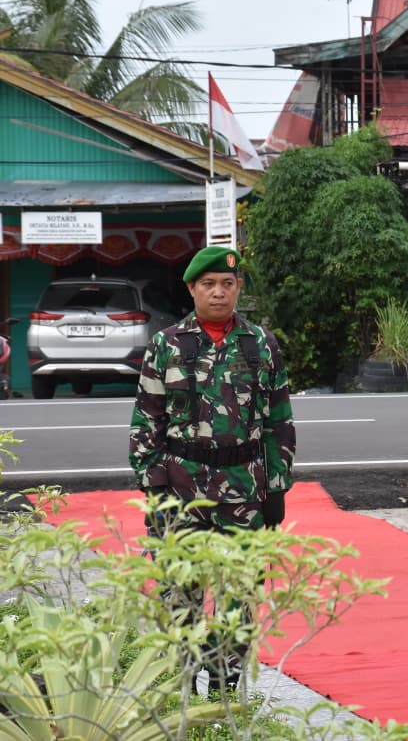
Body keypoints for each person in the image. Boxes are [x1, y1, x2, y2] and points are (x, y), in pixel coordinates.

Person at [128, 245, 296, 693]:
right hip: (181, 489)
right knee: (179, 592)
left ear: (238, 287)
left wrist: (276, 488)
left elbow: (279, 420)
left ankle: (225, 687)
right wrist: (154, 487)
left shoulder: (261, 343)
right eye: (208, 285)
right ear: (192, 289)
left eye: (227, 284)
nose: (218, 293)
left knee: (238, 594)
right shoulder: (167, 344)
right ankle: (181, 687)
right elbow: (147, 419)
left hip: (243, 490)